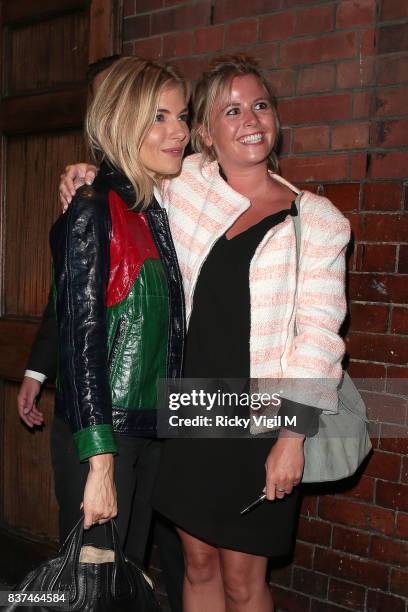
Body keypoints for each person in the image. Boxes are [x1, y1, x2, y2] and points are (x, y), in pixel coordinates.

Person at [59, 54, 350, 612]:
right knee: (195, 566)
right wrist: (81, 172)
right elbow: (127, 169)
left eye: (260, 105)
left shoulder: (317, 221)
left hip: (261, 419)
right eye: (232, 109)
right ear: (205, 134)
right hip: (191, 410)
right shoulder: (183, 185)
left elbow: (318, 336)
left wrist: (292, 439)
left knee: (245, 582)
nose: (250, 119)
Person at [18, 56, 189, 584]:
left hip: (145, 433)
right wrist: (100, 461)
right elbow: (82, 338)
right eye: (159, 117)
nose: (179, 131)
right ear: (122, 120)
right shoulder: (94, 208)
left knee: (123, 583)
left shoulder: (151, 207)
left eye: (182, 116)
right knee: (91, 589)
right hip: (106, 436)